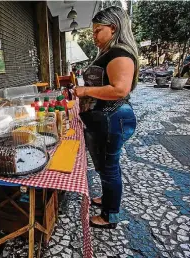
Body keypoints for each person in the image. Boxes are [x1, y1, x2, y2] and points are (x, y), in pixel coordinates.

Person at [74, 6, 138, 229]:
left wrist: (85, 92)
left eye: (97, 31)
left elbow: (120, 89)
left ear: (113, 28)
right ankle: (107, 197)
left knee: (109, 167)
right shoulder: (107, 53)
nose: (93, 37)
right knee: (105, 165)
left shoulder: (120, 53)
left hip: (114, 118)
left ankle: (110, 215)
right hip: (104, 119)